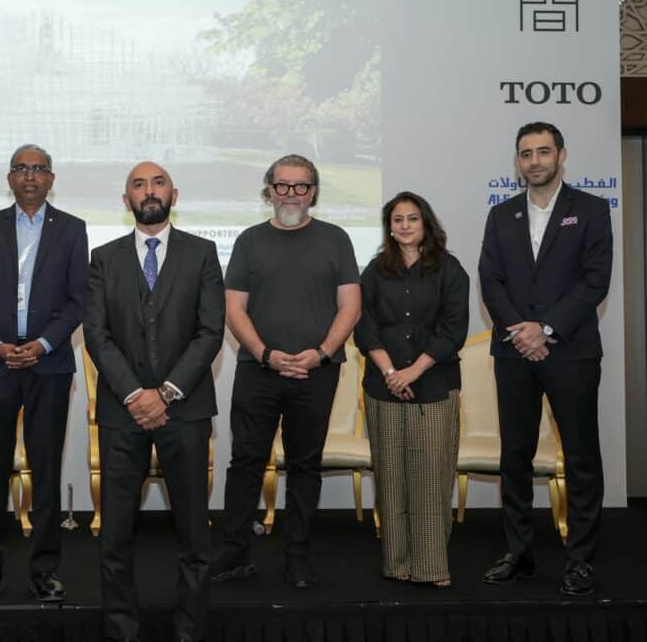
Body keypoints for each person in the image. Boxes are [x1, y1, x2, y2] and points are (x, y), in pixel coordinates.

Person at [83, 162, 224, 642]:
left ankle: (191, 631)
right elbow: (96, 336)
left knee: (194, 535)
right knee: (116, 536)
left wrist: (164, 393)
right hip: (121, 413)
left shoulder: (203, 254)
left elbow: (210, 332)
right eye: (139, 185)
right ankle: (121, 631)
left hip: (185, 411)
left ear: (174, 194)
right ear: (126, 201)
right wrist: (134, 394)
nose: (149, 191)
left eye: (157, 183)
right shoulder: (103, 258)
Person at [212, 154, 361, 588]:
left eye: (300, 186)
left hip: (318, 371)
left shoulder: (336, 239)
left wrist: (322, 352)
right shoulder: (249, 240)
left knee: (304, 466)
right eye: (282, 186)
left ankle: (296, 555)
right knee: (245, 463)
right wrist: (264, 354)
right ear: (269, 191)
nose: (290, 193)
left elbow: (351, 305)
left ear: (313, 192)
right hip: (258, 370)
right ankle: (235, 551)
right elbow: (233, 307)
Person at [478, 121, 612, 596]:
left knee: (580, 458)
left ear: (561, 155)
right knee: (515, 455)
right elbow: (490, 279)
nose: (534, 161)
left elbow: (595, 282)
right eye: (525, 153)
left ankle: (580, 560)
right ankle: (519, 553)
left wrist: (546, 328)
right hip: (515, 352)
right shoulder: (502, 215)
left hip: (570, 351)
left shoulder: (592, 210)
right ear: (517, 161)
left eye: (543, 152)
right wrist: (521, 331)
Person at [0, 144, 87, 603]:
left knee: (46, 469)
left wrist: (43, 343)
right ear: (9, 178)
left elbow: (78, 301)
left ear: (51, 179)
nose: (30, 176)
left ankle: (44, 570)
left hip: (49, 365)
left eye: (38, 170)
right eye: (21, 169)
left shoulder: (73, 230)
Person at [354, 191, 468, 587]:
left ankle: (432, 567)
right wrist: (390, 372)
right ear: (389, 226)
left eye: (412, 219)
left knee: (430, 477)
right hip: (383, 386)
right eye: (397, 219)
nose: (404, 225)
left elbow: (453, 330)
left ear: (426, 224)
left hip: (433, 385)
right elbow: (363, 325)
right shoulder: (374, 270)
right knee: (390, 476)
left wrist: (412, 372)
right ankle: (397, 563)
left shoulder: (450, 270)